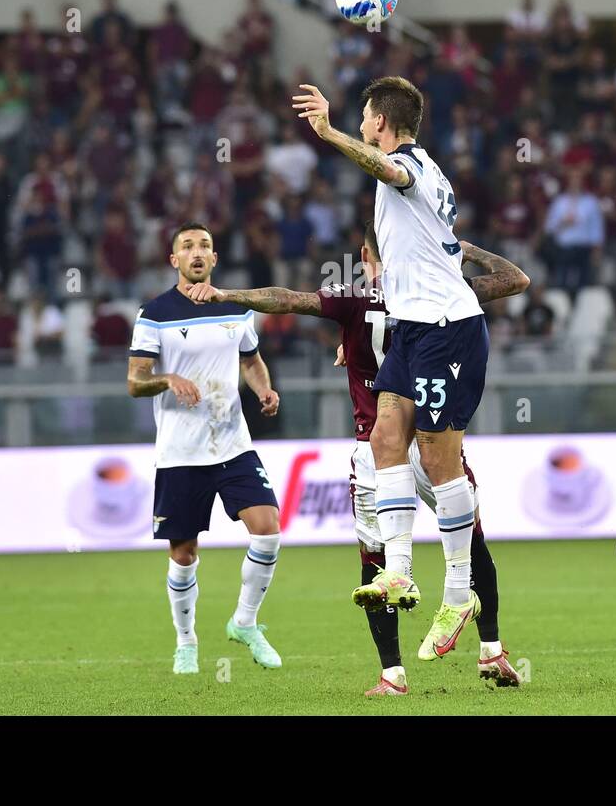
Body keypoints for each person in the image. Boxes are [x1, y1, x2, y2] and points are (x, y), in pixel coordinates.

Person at [185, 224, 528, 694]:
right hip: (433, 438)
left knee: (375, 565)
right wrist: (466, 250)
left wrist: (227, 294)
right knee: (469, 541)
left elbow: (287, 299)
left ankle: (392, 674)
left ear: (365, 257)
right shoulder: (446, 294)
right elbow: (515, 279)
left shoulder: (352, 300)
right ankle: (490, 652)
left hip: (375, 447)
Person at [293, 77, 498, 660]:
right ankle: (400, 573)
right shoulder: (413, 172)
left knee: (438, 457)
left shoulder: (411, 166)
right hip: (413, 328)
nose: (359, 123)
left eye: (362, 116)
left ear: (380, 121)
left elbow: (390, 172)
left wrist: (328, 132)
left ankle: (459, 595)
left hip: (445, 328)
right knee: (386, 437)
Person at [126, 222, 283, 675]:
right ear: (174, 260)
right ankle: (186, 642)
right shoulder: (154, 314)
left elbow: (251, 360)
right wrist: (167, 379)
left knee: (268, 528)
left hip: (232, 444)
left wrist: (264, 391)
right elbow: (135, 382)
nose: (197, 252)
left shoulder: (235, 308)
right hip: (180, 451)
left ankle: (245, 623)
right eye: (188, 247)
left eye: (205, 246)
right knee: (183, 554)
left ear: (214, 259)